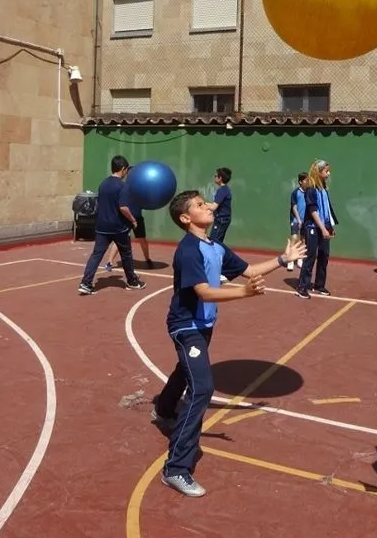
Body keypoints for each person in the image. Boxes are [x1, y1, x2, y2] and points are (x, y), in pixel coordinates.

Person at [152, 189, 306, 498]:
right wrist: (244, 293)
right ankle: (176, 469)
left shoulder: (215, 247)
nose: (208, 206)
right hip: (186, 327)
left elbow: (249, 271)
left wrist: (283, 259)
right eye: (200, 205)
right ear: (186, 218)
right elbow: (204, 292)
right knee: (202, 389)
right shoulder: (188, 250)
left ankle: (165, 408)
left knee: (186, 370)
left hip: (204, 326)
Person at [78, 155, 146, 295]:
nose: (126, 172)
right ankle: (132, 282)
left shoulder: (103, 184)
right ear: (123, 169)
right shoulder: (122, 186)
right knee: (126, 255)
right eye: (126, 170)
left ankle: (86, 283)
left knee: (96, 255)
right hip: (118, 227)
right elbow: (123, 207)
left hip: (102, 227)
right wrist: (133, 220)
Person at [295, 159, 338, 299]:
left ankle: (319, 285)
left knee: (324, 255)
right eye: (326, 171)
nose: (328, 173)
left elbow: (327, 209)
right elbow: (313, 210)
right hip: (312, 227)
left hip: (324, 226)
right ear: (318, 172)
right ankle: (302, 287)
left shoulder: (323, 188)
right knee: (311, 256)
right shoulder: (311, 189)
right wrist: (322, 228)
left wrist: (329, 226)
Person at [208, 167, 233, 244]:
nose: (214, 177)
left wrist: (202, 205)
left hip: (221, 220)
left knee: (213, 241)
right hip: (223, 219)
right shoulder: (225, 190)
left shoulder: (222, 190)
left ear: (220, 178)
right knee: (218, 242)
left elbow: (213, 207)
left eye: (216, 176)